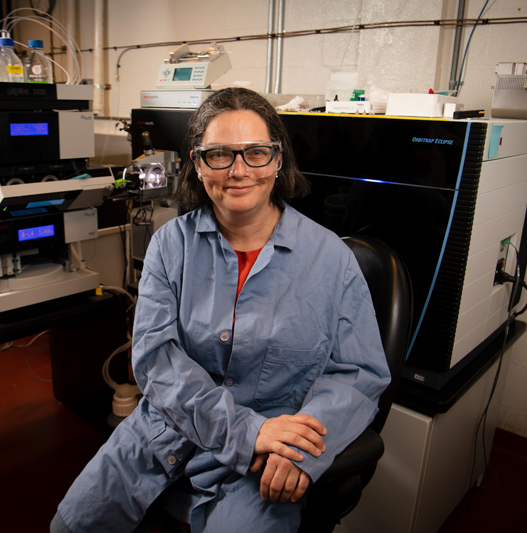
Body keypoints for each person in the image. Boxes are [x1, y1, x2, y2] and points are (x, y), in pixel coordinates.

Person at [51, 87, 390, 532]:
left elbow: (359, 374)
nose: (238, 171)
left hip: (265, 459)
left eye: (255, 153)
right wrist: (245, 433)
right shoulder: (170, 246)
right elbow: (155, 359)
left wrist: (302, 451)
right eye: (219, 155)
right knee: (71, 525)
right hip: (165, 431)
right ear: (196, 162)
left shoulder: (331, 259)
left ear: (278, 159)